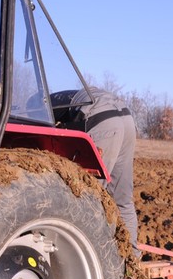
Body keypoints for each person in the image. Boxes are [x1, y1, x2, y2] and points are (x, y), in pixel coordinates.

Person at [52, 86, 139, 255]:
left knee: (87, 196)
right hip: (126, 117)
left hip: (101, 120)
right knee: (123, 200)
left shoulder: (36, 105)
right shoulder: (63, 95)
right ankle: (133, 262)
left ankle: (86, 256)